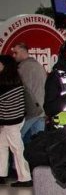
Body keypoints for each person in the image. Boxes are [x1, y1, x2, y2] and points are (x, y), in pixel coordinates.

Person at [0, 54, 32, 186]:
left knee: (17, 149)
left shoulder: (3, 83)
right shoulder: (15, 80)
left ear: (4, 66)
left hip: (9, 121)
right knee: (2, 145)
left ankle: (25, 178)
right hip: (18, 118)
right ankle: (1, 174)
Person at [11, 42, 46, 144]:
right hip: (41, 109)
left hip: (30, 111)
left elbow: (21, 92)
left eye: (16, 53)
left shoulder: (22, 68)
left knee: (16, 140)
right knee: (39, 142)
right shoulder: (39, 66)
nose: (14, 55)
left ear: (23, 51)